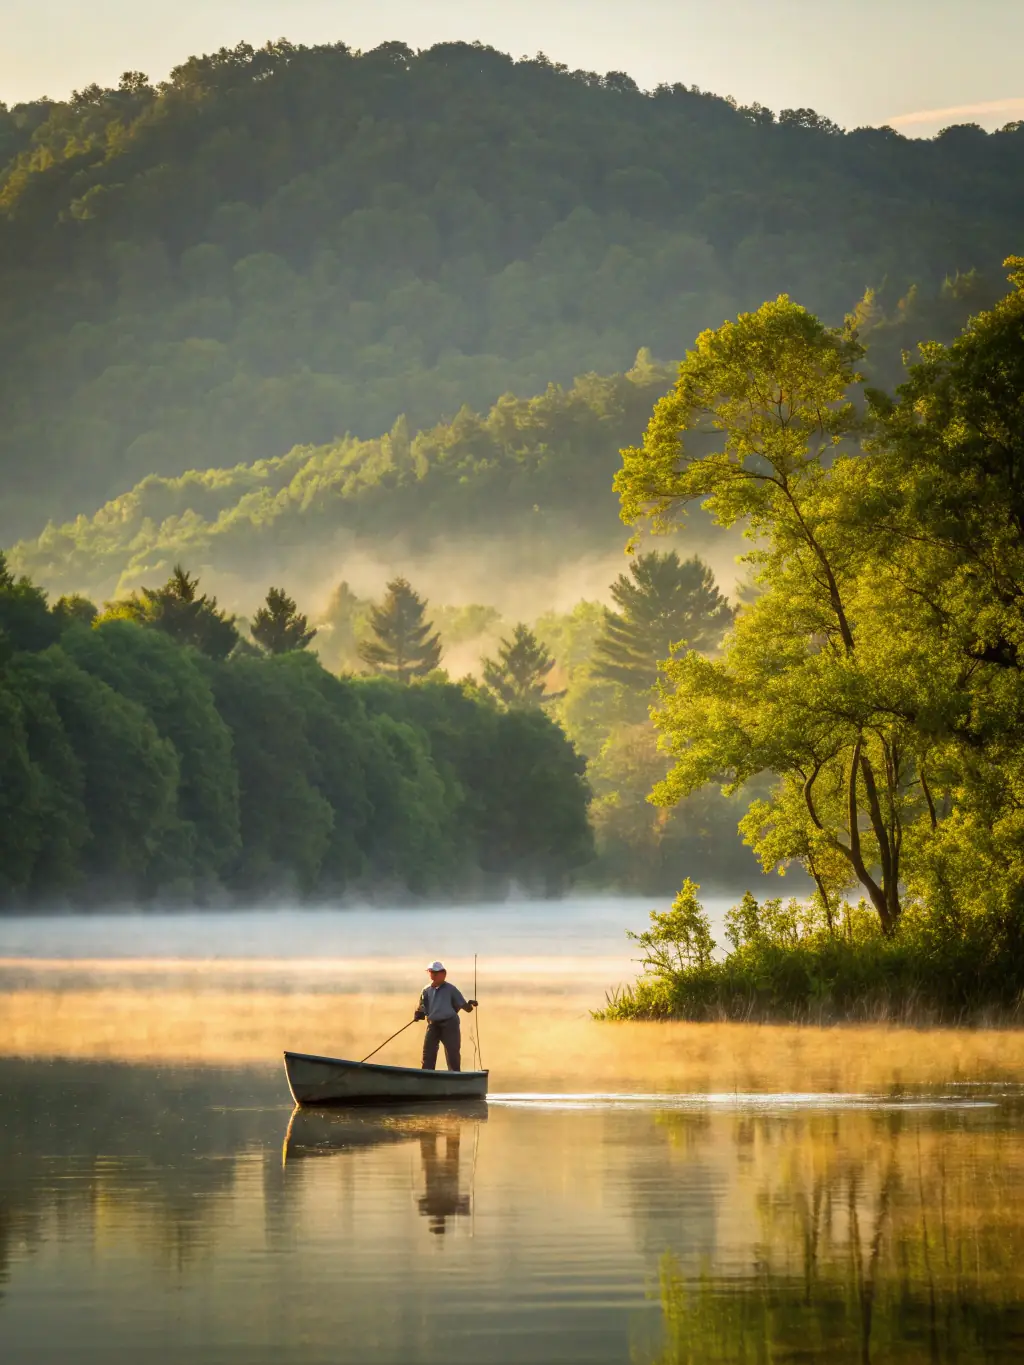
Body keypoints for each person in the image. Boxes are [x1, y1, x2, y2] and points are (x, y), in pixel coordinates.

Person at [414, 961, 477, 1072]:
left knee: (452, 1053)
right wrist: (418, 1014)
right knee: (428, 1053)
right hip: (433, 1024)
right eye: (431, 972)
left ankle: (455, 1077)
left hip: (450, 1024)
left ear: (444, 973)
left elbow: (466, 1007)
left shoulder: (451, 989)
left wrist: (470, 1004)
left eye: (436, 973)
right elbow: (422, 1007)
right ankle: (426, 1077)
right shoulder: (426, 990)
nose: (433, 975)